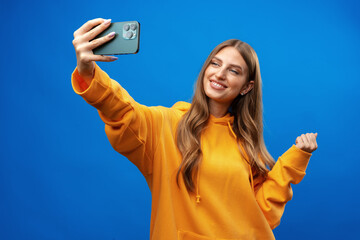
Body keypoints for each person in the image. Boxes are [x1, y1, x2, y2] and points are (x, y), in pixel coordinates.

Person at [71, 18, 318, 240]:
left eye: (233, 71)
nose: (220, 74)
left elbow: (262, 214)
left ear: (246, 87)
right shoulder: (166, 124)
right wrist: (88, 71)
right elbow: (123, 112)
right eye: (215, 64)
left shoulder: (245, 144)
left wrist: (294, 160)